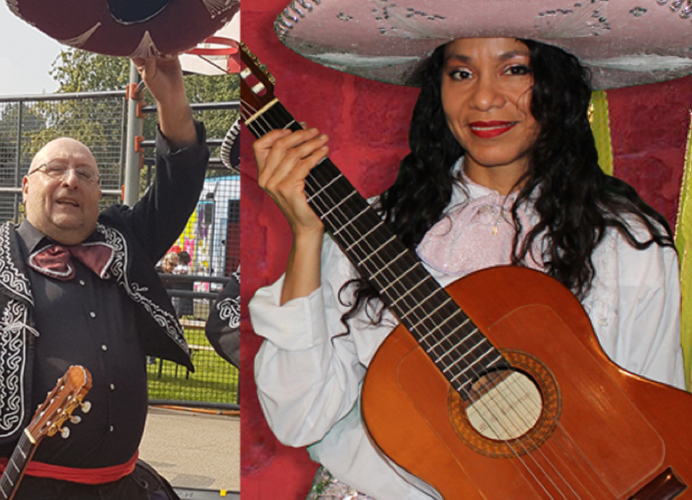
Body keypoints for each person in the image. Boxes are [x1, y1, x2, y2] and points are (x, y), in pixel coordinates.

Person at [251, 34, 686, 500]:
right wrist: (308, 235)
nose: (482, 98)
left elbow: (659, 435)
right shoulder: (375, 229)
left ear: (558, 84)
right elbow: (299, 419)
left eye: (515, 69)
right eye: (461, 73)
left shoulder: (623, 244)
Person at [0, 55, 207, 500]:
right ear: (26, 186)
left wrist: (170, 97)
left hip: (125, 487)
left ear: (100, 194)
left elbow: (179, 184)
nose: (71, 181)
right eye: (55, 170)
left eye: (86, 174)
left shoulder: (126, 240)